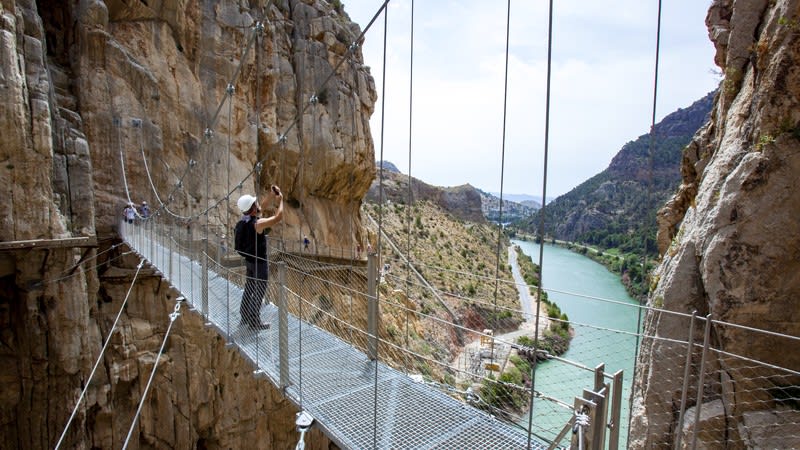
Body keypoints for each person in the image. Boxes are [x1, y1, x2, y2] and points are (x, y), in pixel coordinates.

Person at [235, 186, 283, 330]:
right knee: (260, 290)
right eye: (255, 204)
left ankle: (244, 315)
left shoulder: (244, 220)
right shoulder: (258, 224)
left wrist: (270, 195)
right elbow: (278, 217)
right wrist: (281, 201)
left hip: (249, 261)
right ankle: (254, 321)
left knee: (249, 288)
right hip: (260, 263)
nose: (258, 205)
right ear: (253, 208)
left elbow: (260, 207)